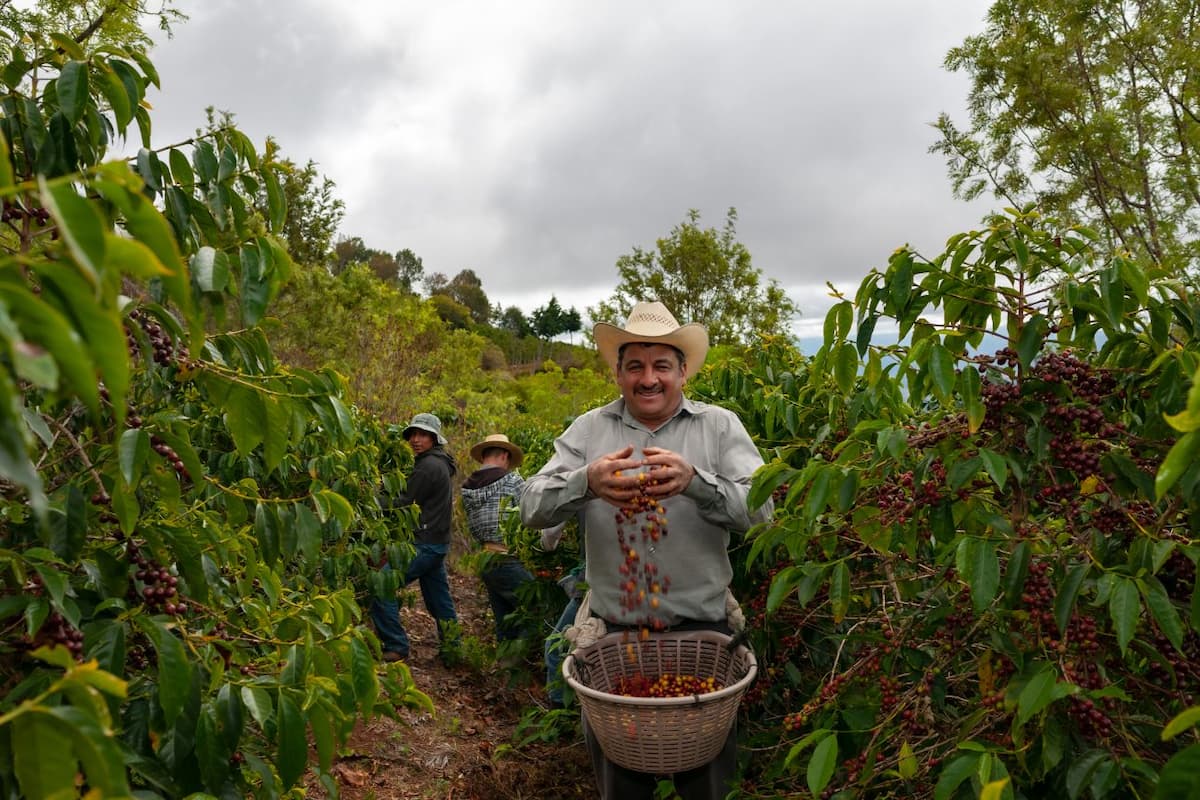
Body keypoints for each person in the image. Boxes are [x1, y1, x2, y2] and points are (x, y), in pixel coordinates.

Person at [519, 300, 771, 800]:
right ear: (618, 373)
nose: (648, 378)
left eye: (661, 366)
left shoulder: (718, 427)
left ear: (683, 372)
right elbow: (531, 506)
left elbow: (764, 514)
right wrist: (586, 482)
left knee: (709, 786)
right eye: (635, 366)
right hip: (615, 642)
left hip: (704, 639)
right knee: (621, 783)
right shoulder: (590, 431)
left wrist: (697, 483)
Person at [370, 412, 459, 663]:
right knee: (438, 600)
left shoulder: (429, 466)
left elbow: (403, 503)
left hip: (425, 542)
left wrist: (370, 500)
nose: (416, 440)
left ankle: (396, 644)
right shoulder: (438, 462)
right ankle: (454, 648)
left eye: (423, 435)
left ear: (434, 438)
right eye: (413, 434)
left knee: (382, 585)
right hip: (436, 541)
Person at [460, 433, 536, 642]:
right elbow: (531, 513)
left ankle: (506, 667)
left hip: (485, 558)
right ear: (504, 455)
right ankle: (526, 665)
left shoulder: (467, 487)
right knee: (538, 610)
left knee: (504, 619)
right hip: (507, 557)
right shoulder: (512, 480)